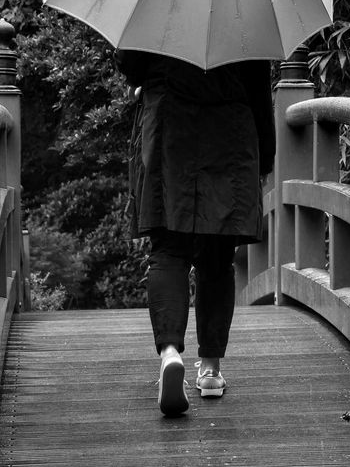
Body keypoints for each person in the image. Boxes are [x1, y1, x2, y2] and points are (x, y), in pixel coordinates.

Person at [114, 50, 276, 417]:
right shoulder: (244, 7)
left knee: (168, 249)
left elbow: (132, 65)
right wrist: (265, 157)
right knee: (218, 256)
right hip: (230, 133)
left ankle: (170, 353)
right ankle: (210, 370)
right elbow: (257, 89)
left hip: (170, 128)